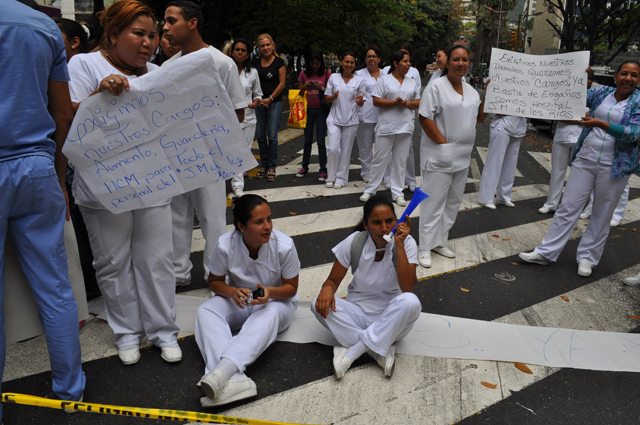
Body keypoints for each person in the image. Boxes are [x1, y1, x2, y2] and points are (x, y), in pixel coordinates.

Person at [68, 0, 181, 365]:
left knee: (157, 258)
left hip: (152, 182)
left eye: (153, 35)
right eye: (139, 34)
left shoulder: (155, 72)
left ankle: (163, 330)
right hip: (104, 190)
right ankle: (127, 332)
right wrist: (97, 95)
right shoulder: (84, 64)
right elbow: (68, 119)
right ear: (114, 34)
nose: (148, 42)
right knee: (113, 261)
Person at [1, 1, 85, 417]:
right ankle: (70, 391)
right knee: (55, 288)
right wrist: (58, 175)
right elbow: (63, 114)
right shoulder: (44, 26)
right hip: (36, 165)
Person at [519, 61, 640, 277]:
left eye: (634, 75)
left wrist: (600, 124)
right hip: (586, 159)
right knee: (568, 207)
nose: (628, 78)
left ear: (638, 80)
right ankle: (546, 252)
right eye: (624, 74)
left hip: (615, 166)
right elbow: (573, 97)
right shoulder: (602, 93)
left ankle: (587, 258)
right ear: (615, 76)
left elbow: (633, 133)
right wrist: (577, 77)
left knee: (601, 214)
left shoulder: (638, 102)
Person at [163, 1, 247, 287]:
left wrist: (218, 146)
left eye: (171, 20)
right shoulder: (167, 66)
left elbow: (238, 111)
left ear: (192, 23)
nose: (165, 27)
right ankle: (178, 273)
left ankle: (215, 275)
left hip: (210, 156)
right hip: (177, 153)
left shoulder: (221, 62)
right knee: (177, 216)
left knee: (212, 218)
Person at [196, 195, 300, 407]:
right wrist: (232, 291)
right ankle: (236, 381)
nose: (267, 227)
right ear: (241, 226)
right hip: (241, 299)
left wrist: (270, 292)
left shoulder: (284, 246)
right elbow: (214, 281)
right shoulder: (226, 245)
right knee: (206, 311)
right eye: (259, 222)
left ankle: (221, 374)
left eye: (269, 219)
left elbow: (291, 288)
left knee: (266, 316)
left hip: (276, 302)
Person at [311, 195, 421, 380]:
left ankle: (353, 352)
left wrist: (400, 245)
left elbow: (408, 287)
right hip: (358, 314)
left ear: (398, 220)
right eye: (377, 222)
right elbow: (332, 280)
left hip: (392, 319)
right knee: (317, 303)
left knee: (411, 301)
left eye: (389, 221)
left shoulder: (406, 242)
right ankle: (379, 350)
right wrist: (326, 289)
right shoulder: (355, 242)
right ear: (366, 224)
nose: (384, 228)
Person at [417, 45, 489, 268]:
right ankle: (424, 247)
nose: (460, 64)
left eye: (465, 60)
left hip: (462, 157)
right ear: (447, 63)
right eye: (456, 59)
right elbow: (424, 117)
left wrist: (492, 95)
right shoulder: (436, 87)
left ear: (469, 63)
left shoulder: (473, 92)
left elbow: (479, 119)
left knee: (452, 202)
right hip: (440, 156)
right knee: (433, 201)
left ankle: (440, 241)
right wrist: (443, 144)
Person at [360, 50, 421, 206]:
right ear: (395, 63)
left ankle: (397, 192)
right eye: (405, 61)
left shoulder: (412, 82)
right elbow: (376, 101)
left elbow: (419, 102)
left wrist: (406, 103)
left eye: (409, 62)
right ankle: (370, 190)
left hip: (405, 127)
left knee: (400, 161)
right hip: (386, 126)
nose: (408, 65)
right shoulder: (384, 80)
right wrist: (395, 103)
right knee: (379, 159)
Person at [539, 69, 595, 215]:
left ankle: (581, 207)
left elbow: (594, 120)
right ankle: (552, 203)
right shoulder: (565, 94)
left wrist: (579, 119)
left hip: (581, 140)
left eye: (590, 78)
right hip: (562, 138)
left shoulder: (595, 98)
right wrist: (581, 119)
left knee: (581, 175)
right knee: (557, 172)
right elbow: (558, 115)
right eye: (585, 77)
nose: (587, 81)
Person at [381, 43, 421, 192]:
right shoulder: (386, 71)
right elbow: (381, 93)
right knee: (386, 150)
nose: (407, 63)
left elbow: (417, 96)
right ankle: (388, 178)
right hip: (388, 117)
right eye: (402, 56)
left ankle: (410, 179)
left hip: (406, 117)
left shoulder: (414, 73)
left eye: (407, 58)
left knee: (406, 151)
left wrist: (408, 104)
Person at [323, 52, 366, 189]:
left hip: (351, 120)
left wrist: (359, 102)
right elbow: (326, 98)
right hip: (334, 119)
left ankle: (341, 178)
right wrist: (334, 97)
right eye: (346, 62)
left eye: (352, 62)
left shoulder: (359, 81)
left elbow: (361, 103)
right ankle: (330, 177)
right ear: (341, 62)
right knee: (333, 148)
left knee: (346, 150)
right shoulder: (334, 78)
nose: (349, 65)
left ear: (355, 64)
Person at [229, 38, 263, 198]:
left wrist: (255, 103)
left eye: (243, 50)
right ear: (232, 51)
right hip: (228, 117)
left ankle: (237, 186)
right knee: (230, 151)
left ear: (248, 54)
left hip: (248, 118)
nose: (240, 53)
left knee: (243, 152)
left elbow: (259, 94)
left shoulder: (252, 72)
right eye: (237, 50)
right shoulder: (225, 70)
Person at [254, 34, 286, 182]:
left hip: (274, 102)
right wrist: (259, 99)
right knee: (260, 135)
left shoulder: (279, 62)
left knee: (272, 135)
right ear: (259, 48)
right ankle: (264, 165)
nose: (265, 48)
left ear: (272, 46)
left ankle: (272, 167)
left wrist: (270, 98)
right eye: (262, 46)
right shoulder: (255, 63)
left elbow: (282, 84)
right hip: (259, 103)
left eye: (268, 45)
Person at [477, 114, 527, 209]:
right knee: (494, 162)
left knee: (510, 164)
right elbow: (492, 108)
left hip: (518, 128)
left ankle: (504, 197)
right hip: (502, 126)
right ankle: (485, 198)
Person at [296, 50, 331, 182]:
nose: (315, 66)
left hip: (321, 110)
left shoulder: (327, 73)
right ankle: (305, 166)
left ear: (321, 63)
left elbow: (330, 92)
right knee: (307, 140)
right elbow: (299, 93)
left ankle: (323, 169)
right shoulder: (303, 74)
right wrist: (305, 87)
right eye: (312, 63)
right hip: (307, 110)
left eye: (317, 63)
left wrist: (320, 88)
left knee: (321, 141)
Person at [355, 45, 382, 184]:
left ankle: (378, 172)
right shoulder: (359, 74)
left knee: (381, 146)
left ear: (379, 59)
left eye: (374, 56)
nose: (371, 59)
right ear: (365, 59)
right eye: (369, 56)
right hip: (365, 115)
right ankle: (366, 171)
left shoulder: (385, 74)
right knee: (365, 145)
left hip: (382, 116)